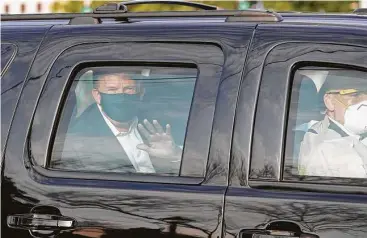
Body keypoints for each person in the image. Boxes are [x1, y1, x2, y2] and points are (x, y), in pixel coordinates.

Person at [52, 68, 182, 174]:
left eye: (129, 89)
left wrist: (174, 156)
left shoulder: (161, 122)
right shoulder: (78, 140)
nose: (122, 96)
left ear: (140, 92)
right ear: (97, 95)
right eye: (112, 91)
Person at [298, 75, 367, 178]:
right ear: (330, 101)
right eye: (354, 95)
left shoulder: (350, 134)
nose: (364, 102)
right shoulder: (325, 149)